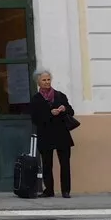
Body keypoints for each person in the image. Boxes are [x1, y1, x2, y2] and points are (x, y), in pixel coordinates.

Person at [30, 69, 74, 198]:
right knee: (47, 164)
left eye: (48, 79)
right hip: (46, 134)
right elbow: (35, 118)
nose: (47, 82)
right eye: (44, 80)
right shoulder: (36, 99)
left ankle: (66, 190)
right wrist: (50, 114)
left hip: (62, 134)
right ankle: (49, 190)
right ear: (38, 82)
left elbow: (71, 111)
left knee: (65, 164)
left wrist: (64, 109)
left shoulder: (60, 95)